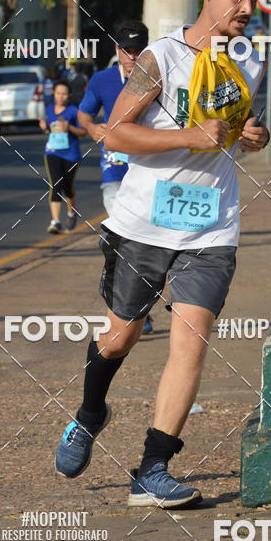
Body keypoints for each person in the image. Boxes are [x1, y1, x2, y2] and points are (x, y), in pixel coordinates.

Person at [54, 0, 270, 508]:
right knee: (121, 336)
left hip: (212, 227)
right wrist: (187, 137)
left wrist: (252, 134)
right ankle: (90, 412)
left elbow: (233, 128)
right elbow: (114, 133)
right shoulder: (161, 58)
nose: (247, 5)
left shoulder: (246, 61)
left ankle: (153, 468)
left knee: (191, 342)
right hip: (145, 224)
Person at [78, 21, 155, 335]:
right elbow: (83, 113)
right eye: (126, 50)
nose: (132, 56)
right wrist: (92, 128)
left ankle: (140, 308)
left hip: (151, 172)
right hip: (115, 173)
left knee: (149, 244)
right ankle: (128, 309)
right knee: (124, 238)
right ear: (116, 49)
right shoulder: (102, 80)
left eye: (138, 50)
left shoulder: (158, 78)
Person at [40, 80, 86, 234]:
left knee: (68, 188)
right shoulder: (48, 110)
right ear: (54, 93)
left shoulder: (74, 111)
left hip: (71, 155)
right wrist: (44, 127)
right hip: (52, 152)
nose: (61, 97)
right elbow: (49, 129)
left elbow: (83, 132)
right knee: (55, 185)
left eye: (64, 94)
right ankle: (56, 222)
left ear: (69, 95)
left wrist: (69, 127)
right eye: (58, 93)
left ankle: (71, 213)